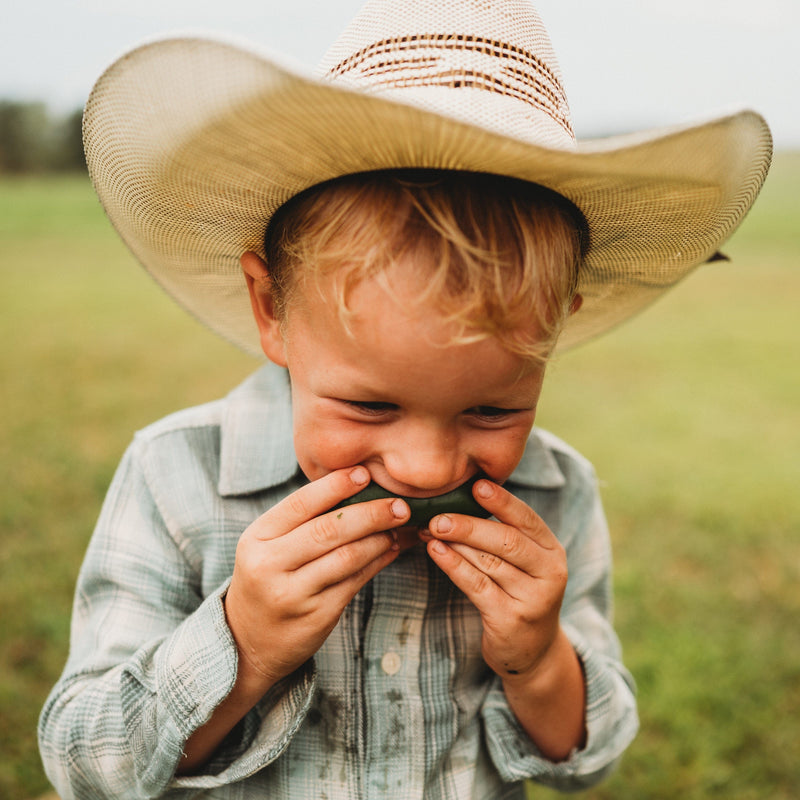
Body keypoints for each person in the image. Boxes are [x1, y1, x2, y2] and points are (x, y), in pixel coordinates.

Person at [38, 1, 771, 798]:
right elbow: (83, 762)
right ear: (271, 310)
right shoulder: (173, 476)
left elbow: (589, 762)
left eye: (491, 411)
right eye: (370, 406)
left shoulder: (556, 497)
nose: (425, 468)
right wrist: (239, 645)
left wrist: (539, 658)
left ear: (556, 332)